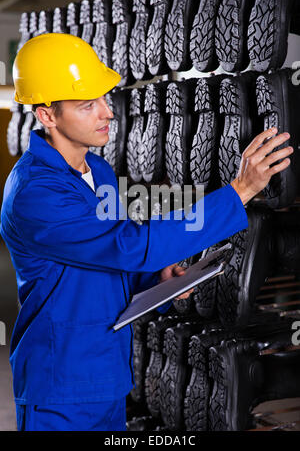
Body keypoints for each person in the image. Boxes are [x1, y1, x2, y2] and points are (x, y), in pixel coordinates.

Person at [0, 33, 293, 431]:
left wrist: (155, 280)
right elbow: (128, 246)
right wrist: (238, 192)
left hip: (107, 372)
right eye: (88, 105)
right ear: (47, 115)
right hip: (60, 384)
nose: (107, 113)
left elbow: (105, 259)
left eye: (104, 98)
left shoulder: (98, 171)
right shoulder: (35, 192)